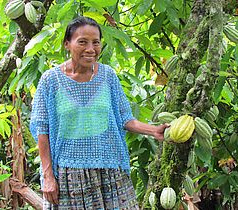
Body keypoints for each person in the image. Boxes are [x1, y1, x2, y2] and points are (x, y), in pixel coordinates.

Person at [30, 16, 168, 209]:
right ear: (67, 44)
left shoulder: (108, 76)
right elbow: (41, 129)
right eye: (82, 42)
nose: (90, 49)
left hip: (109, 170)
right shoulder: (50, 80)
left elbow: (125, 118)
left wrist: (153, 131)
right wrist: (48, 176)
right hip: (68, 175)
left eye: (96, 42)